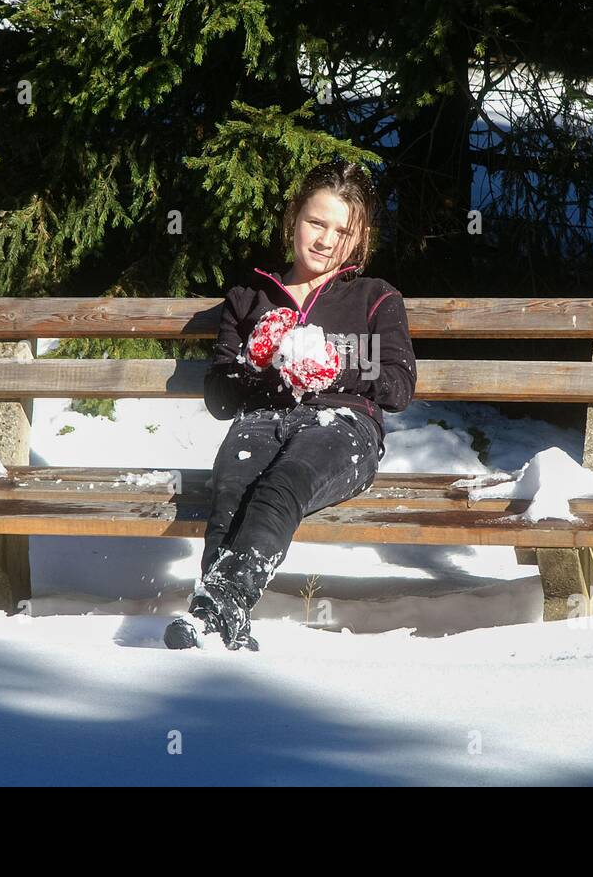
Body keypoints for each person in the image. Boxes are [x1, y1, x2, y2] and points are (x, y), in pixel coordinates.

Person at [164, 160, 417, 650]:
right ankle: (220, 620)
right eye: (316, 222)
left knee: (284, 482)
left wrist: (334, 368)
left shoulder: (375, 297)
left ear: (360, 239)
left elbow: (399, 385)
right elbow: (219, 399)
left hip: (345, 426)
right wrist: (251, 361)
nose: (325, 240)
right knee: (233, 486)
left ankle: (216, 608)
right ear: (293, 220)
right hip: (263, 420)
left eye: (343, 230)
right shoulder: (249, 297)